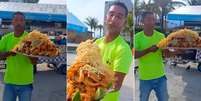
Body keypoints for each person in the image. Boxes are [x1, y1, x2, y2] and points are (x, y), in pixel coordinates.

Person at [134, 11, 182, 101]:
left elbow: (166, 54)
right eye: (148, 19)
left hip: (160, 78)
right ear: (142, 21)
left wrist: (177, 51)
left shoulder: (160, 36)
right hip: (145, 79)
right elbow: (135, 55)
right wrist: (149, 50)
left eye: (153, 19)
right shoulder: (137, 37)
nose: (152, 22)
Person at [95, 2, 132, 101]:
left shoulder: (123, 49)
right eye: (111, 14)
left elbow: (115, 85)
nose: (114, 19)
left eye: (119, 17)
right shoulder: (96, 43)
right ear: (106, 18)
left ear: (124, 23)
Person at [0, 12, 37, 101]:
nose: (18, 23)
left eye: (21, 20)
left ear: (24, 22)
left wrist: (27, 52)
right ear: (12, 22)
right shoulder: (6, 38)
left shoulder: (31, 39)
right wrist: (9, 53)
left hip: (26, 83)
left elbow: (34, 62)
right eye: (16, 20)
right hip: (9, 83)